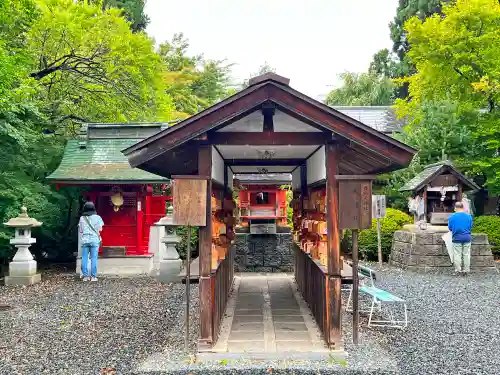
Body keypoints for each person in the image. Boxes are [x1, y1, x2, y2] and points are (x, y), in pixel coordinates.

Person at [79, 201, 104, 281]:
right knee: (94, 258)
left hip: (85, 240)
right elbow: (100, 229)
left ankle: (85, 276)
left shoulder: (82, 218)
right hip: (94, 240)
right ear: (93, 208)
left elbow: (81, 230)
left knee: (84, 258)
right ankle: (93, 276)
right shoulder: (98, 217)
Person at [448, 201, 473, 275]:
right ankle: (466, 271)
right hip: (467, 237)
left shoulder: (452, 217)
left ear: (455, 208)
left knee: (457, 254)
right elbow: (470, 226)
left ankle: (458, 270)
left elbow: (450, 228)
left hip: (456, 238)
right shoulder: (469, 216)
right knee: (466, 254)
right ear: (463, 208)